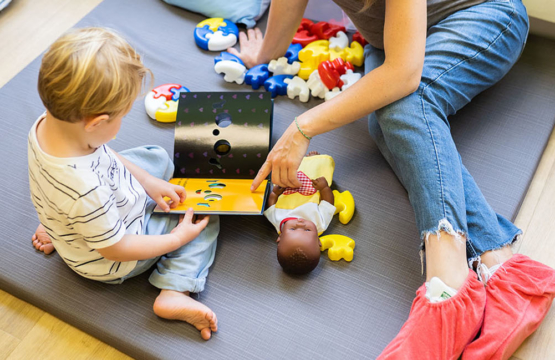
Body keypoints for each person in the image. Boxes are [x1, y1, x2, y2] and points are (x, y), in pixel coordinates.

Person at [230, 0, 555, 357]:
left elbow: (403, 76)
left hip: (483, 14)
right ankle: (505, 270)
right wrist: (262, 57)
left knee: (405, 105)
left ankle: (448, 282)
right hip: (390, 41)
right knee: (385, 124)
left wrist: (301, 127)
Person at [28, 27, 219, 340]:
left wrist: (146, 181)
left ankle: (56, 226)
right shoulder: (84, 189)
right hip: (110, 256)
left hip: (76, 213)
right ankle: (175, 289)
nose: (122, 123)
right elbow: (117, 249)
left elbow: (103, 154)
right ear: (96, 123)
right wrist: (176, 238)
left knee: (154, 157)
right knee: (202, 217)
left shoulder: (49, 123)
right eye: (122, 116)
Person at [264, 152, 336, 275]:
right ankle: (311, 160)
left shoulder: (278, 222)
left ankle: (300, 159)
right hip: (312, 185)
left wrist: (275, 194)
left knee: (287, 167)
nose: (300, 222)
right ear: (318, 241)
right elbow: (328, 203)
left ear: (280, 237)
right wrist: (324, 188)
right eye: (307, 230)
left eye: (292, 229)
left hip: (287, 187)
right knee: (315, 169)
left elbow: (270, 206)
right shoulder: (320, 223)